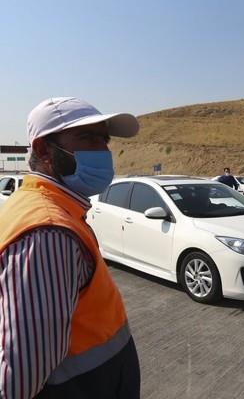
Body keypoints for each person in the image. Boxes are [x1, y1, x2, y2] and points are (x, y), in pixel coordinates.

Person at [0, 97, 141, 398]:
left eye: (103, 139)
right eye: (86, 137)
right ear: (42, 149)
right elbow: (20, 378)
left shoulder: (52, 209)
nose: (102, 151)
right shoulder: (48, 232)